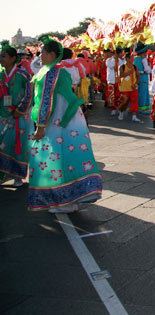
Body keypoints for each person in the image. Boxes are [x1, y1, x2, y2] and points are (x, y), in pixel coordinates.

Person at [27, 37, 102, 212]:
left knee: (57, 157)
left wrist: (41, 126)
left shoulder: (52, 73)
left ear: (52, 54)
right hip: (70, 118)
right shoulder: (56, 70)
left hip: (59, 120)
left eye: (43, 52)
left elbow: (46, 100)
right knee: (71, 156)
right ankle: (73, 200)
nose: (41, 55)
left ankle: (64, 201)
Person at [0, 42, 33, 187]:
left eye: (4, 56)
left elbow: (29, 94)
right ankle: (3, 174)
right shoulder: (1, 75)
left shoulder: (23, 74)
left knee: (18, 145)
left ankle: (18, 176)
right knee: (3, 145)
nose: (1, 59)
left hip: (20, 116)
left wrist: (19, 110)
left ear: (14, 58)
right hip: (3, 115)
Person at [117, 51, 141, 122]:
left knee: (134, 102)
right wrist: (128, 73)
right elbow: (120, 75)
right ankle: (121, 113)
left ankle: (134, 116)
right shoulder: (122, 67)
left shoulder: (135, 67)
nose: (132, 59)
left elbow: (138, 76)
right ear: (127, 59)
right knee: (123, 101)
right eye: (130, 58)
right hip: (124, 88)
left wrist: (136, 84)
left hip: (133, 87)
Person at [133, 44, 152, 116]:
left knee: (138, 92)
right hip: (143, 77)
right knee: (143, 93)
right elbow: (147, 70)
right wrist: (149, 67)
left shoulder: (135, 59)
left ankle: (136, 107)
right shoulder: (144, 59)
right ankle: (142, 108)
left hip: (137, 78)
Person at [105, 47, 122, 115]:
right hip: (111, 80)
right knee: (112, 96)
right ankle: (113, 109)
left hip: (118, 80)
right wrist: (114, 60)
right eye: (120, 53)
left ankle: (118, 107)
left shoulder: (121, 60)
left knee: (118, 95)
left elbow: (122, 67)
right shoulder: (109, 60)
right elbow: (111, 66)